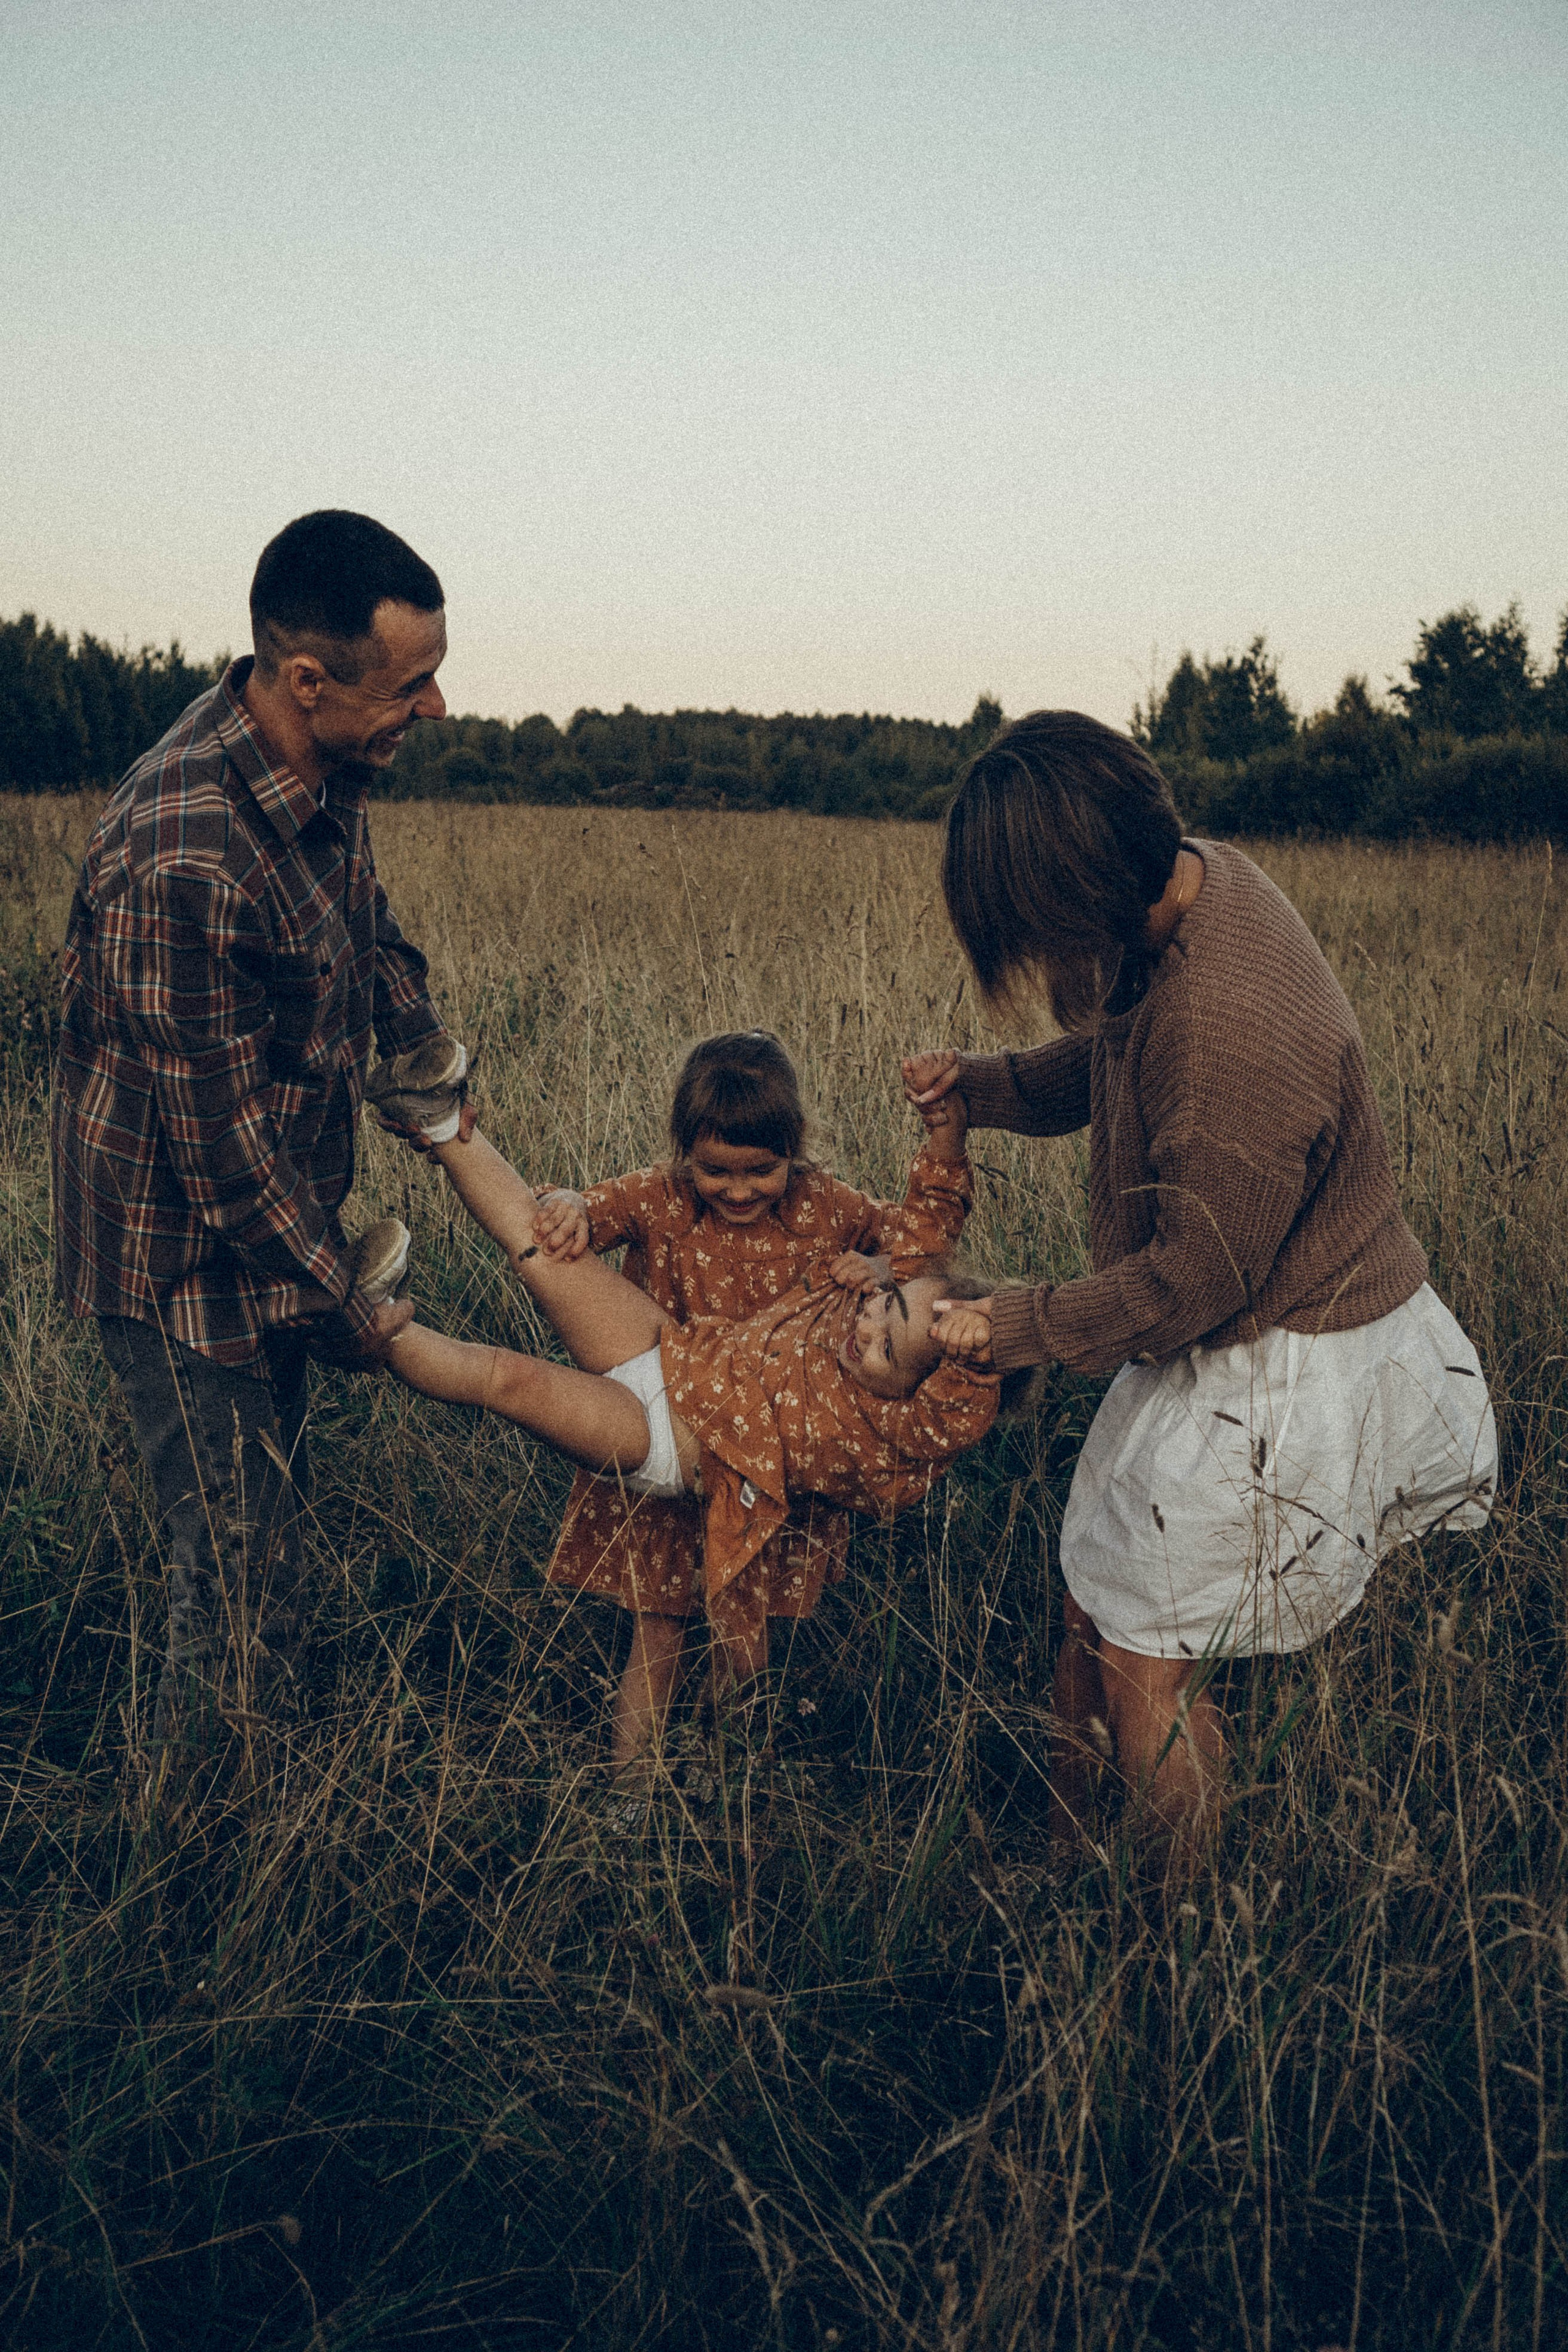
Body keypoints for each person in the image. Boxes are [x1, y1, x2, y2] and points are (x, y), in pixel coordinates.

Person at [908, 709, 1497, 1867]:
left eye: (1029, 928)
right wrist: (984, 1088)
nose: (1028, 958)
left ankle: (1172, 1935)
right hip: (1224, 1320)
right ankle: (1067, 1864)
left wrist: (1015, 1324)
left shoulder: (1228, 1024)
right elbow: (1120, 1053)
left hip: (1286, 1350)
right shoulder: (1189, 884)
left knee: (1145, 1661)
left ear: (1078, 901)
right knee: (1093, 1599)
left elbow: (1192, 1283)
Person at [52, 510, 471, 1743]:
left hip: (269, 1222)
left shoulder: (324, 763)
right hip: (179, 1261)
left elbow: (361, 916)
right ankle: (204, 1824)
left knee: (266, 1526)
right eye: (409, 685)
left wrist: (417, 1043)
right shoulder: (183, 855)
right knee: (237, 1574)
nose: (435, 706)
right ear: (305, 679)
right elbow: (224, 1160)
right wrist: (343, 1302)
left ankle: (261, 1761)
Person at [368, 1102, 1005, 1800]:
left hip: (663, 1442)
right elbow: (927, 1230)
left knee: (508, 1380)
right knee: (542, 1251)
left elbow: (955, 1415)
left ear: (919, 1391)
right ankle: (440, 1115)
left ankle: (378, 1328)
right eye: (884, 1307)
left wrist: (976, 1363)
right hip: (670, 1350)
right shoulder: (862, 1298)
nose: (867, 1330)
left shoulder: (893, 1430)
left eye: (885, 1349)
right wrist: (945, 1132)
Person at [529, 1029, 973, 1777]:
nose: (737, 1192)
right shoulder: (659, 1197)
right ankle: (630, 1792)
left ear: (795, 1150)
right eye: (715, 1171)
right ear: (683, 1155)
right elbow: (583, 1215)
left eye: (761, 1171)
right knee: (659, 1628)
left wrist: (879, 1266)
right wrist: (566, 1203)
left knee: (742, 1633)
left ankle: (724, 1778)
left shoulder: (829, 1208)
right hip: (670, 1440)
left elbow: (923, 1251)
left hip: (767, 1468)